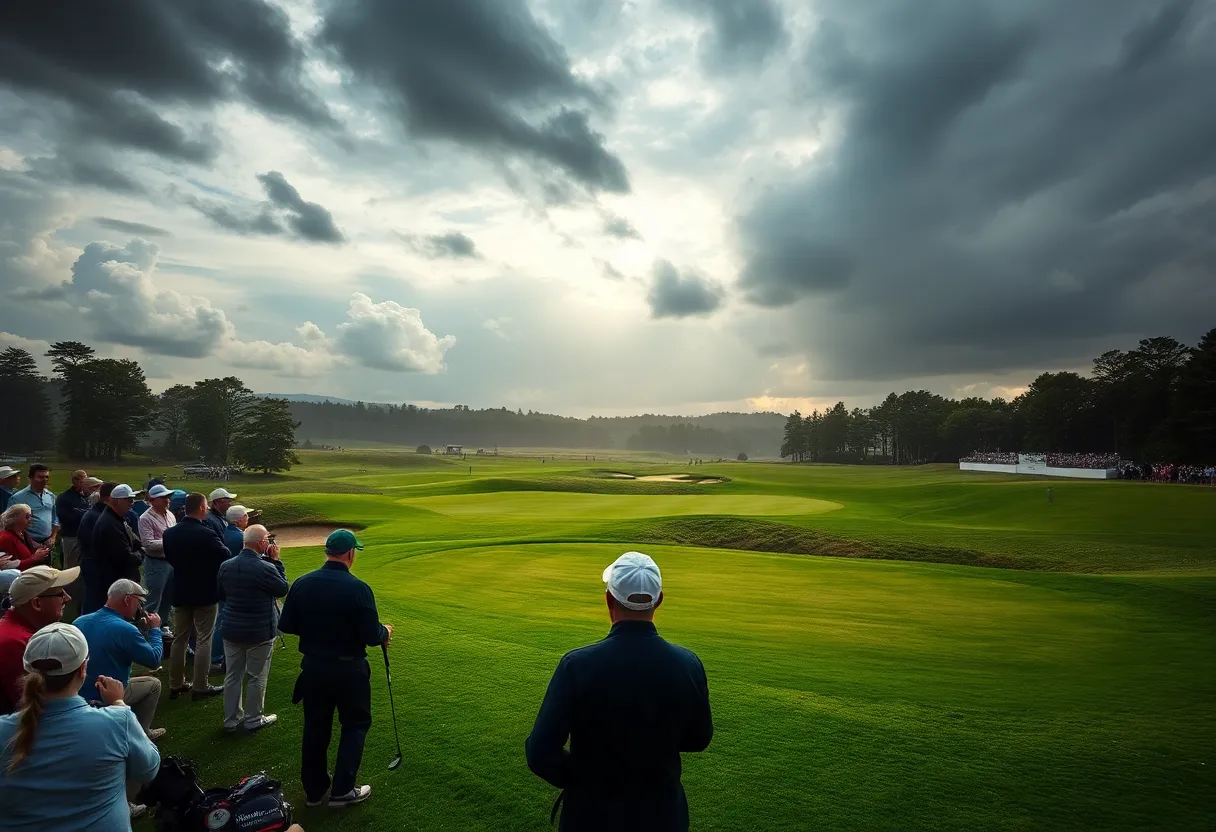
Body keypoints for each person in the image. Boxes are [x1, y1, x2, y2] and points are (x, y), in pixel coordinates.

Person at [525, 552, 713, 832]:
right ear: (659, 599)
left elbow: (540, 752)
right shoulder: (688, 664)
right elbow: (698, 739)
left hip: (590, 818)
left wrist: (584, 779)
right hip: (664, 817)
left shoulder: (576, 666)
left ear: (608, 599)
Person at [0, 622, 161, 830]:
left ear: (28, 670)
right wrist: (119, 704)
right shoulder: (117, 721)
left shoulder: (4, 729)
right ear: (83, 668)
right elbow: (148, 769)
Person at [279, 529, 390, 809]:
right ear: (350, 553)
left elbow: (287, 625)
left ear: (327, 552)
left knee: (316, 727)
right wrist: (384, 631)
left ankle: (314, 792)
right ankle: (342, 790)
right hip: (349, 670)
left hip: (314, 668)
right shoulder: (358, 588)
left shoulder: (303, 583)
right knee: (355, 725)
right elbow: (370, 635)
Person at [74, 579, 166, 741]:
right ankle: (142, 735)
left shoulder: (79, 621)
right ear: (128, 600)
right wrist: (156, 630)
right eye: (139, 602)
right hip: (106, 696)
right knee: (153, 685)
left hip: (77, 696)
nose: (140, 607)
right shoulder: (126, 630)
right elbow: (154, 660)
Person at [218, 524, 287, 733]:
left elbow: (221, 595)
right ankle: (253, 719)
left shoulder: (226, 565)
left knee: (233, 675)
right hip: (259, 632)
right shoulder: (267, 568)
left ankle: (230, 720)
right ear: (262, 543)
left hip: (231, 629)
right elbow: (282, 588)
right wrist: (276, 562)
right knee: (256, 676)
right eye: (267, 538)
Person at [163, 492, 228, 700]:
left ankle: (176, 684)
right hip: (205, 591)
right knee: (203, 639)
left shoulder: (170, 534)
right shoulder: (206, 533)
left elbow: (170, 558)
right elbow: (225, 554)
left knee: (179, 638)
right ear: (201, 507)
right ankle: (200, 685)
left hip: (181, 589)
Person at [0, 565, 78, 714]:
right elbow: (34, 708)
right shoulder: (16, 643)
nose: (68, 598)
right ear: (37, 604)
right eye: (60, 594)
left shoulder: (16, 632)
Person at [91, 484, 144, 618]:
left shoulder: (118, 519)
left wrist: (138, 549)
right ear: (115, 501)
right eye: (128, 500)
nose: (132, 503)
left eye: (132, 499)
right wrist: (141, 553)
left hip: (119, 581)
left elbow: (136, 541)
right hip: (114, 583)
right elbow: (127, 559)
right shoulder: (109, 524)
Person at [55, 470, 97, 621]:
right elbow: (66, 517)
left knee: (83, 570)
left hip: (85, 538)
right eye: (83, 481)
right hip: (71, 537)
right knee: (71, 569)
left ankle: (81, 600)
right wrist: (85, 514)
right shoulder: (65, 498)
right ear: (75, 482)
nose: (85, 484)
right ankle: (68, 602)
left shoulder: (85, 498)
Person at [138, 484, 177, 638]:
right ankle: (147, 629)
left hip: (170, 561)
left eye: (168, 497)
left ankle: (163, 624)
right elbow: (148, 543)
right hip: (156, 562)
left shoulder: (170, 515)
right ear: (153, 500)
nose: (167, 500)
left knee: (168, 596)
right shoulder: (145, 518)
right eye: (163, 498)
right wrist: (170, 541)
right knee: (154, 598)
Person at [76, 482, 111, 615]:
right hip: (94, 564)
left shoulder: (97, 514)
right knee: (94, 599)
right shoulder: (97, 517)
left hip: (93, 562)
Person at [6, 463, 57, 550]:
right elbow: (9, 523)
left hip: (47, 544)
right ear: (30, 478)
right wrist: (28, 541)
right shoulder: (17, 498)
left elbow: (55, 518)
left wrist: (53, 537)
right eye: (40, 477)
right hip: (26, 544)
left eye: (46, 477)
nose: (45, 480)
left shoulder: (50, 496)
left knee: (46, 564)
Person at [0, 504, 52, 570]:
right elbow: (7, 567)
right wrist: (34, 558)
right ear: (15, 519)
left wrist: (41, 551)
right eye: (27, 517)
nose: (31, 520)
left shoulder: (23, 533)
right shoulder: (6, 538)